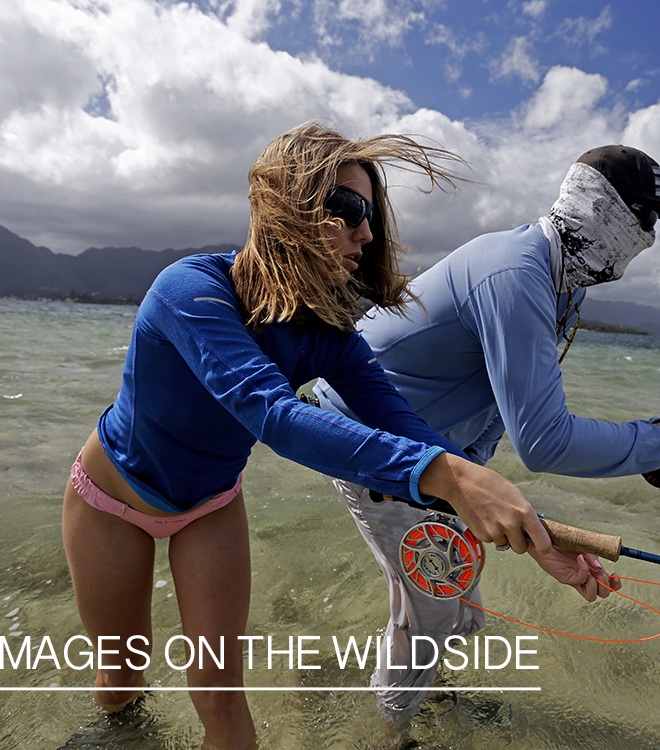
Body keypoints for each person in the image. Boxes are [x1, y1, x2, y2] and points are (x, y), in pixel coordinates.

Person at [60, 122, 608, 750]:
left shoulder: (331, 340)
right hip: (110, 503)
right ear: (285, 205)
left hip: (208, 509)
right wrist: (453, 477)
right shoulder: (190, 290)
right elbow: (274, 417)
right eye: (347, 209)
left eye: (370, 217)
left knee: (220, 691)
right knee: (122, 679)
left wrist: (527, 527)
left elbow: (407, 428)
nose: (366, 233)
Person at [314, 144, 660, 719]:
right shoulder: (518, 274)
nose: (650, 235)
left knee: (460, 606)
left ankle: (423, 700)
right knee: (434, 615)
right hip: (369, 443)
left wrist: (497, 513)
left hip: (432, 453)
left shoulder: (563, 284)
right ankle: (392, 731)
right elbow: (544, 442)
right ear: (599, 206)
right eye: (645, 216)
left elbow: (495, 409)